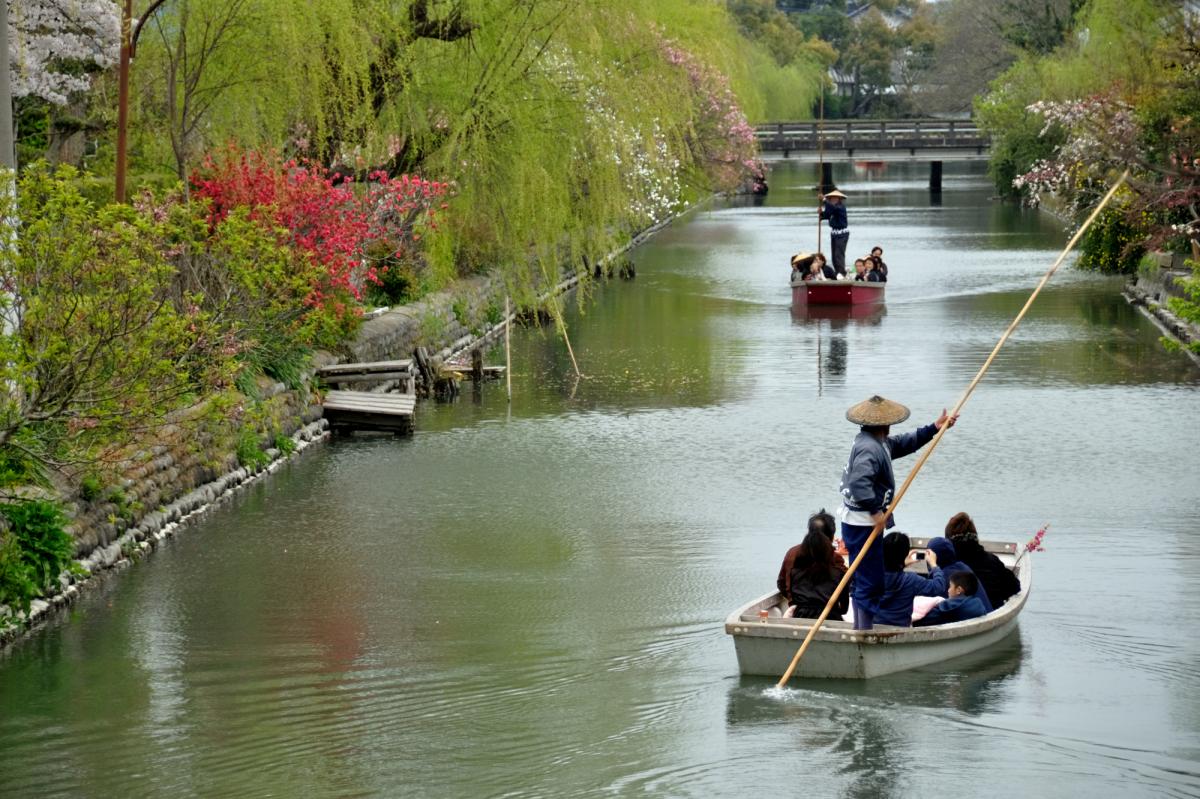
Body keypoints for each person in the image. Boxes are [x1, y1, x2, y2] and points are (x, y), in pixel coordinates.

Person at [837, 395, 958, 629]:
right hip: (862, 522)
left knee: (869, 581)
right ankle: (862, 631)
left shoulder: (875, 440)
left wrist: (934, 428)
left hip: (863, 521)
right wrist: (876, 513)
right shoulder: (869, 448)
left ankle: (862, 628)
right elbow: (859, 483)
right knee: (869, 583)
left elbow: (902, 443)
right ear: (884, 425)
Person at [944, 512, 1022, 608]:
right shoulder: (992, 561)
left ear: (948, 541)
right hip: (993, 612)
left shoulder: (947, 565)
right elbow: (1015, 587)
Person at [873, 532, 947, 627]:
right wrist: (934, 565)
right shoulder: (911, 580)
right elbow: (939, 587)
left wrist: (902, 564)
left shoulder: (871, 578)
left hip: (873, 628)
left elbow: (889, 574)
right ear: (905, 554)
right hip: (900, 631)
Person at [785, 528, 850, 620]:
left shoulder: (794, 573)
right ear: (828, 551)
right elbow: (844, 609)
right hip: (830, 618)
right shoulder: (838, 574)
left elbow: (793, 599)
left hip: (800, 617)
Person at [777, 509, 837, 597]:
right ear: (830, 537)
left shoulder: (792, 553)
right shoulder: (834, 557)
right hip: (827, 606)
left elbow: (782, 583)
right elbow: (844, 585)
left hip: (798, 606)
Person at [926, 536, 992, 613]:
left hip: (969, 623)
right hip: (986, 616)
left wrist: (934, 568)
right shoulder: (963, 567)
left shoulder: (942, 577)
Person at [914, 571, 987, 627]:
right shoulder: (976, 604)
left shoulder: (950, 608)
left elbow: (922, 620)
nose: (948, 590)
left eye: (950, 586)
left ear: (958, 590)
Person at [818, 189, 850, 276]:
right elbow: (827, 215)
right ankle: (837, 272)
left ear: (839, 199)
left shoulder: (840, 207)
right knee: (833, 255)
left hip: (842, 234)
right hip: (834, 234)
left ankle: (841, 273)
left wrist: (824, 200)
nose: (833, 200)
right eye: (831, 198)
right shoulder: (831, 207)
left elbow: (834, 209)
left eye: (835, 198)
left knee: (838, 254)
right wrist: (821, 214)